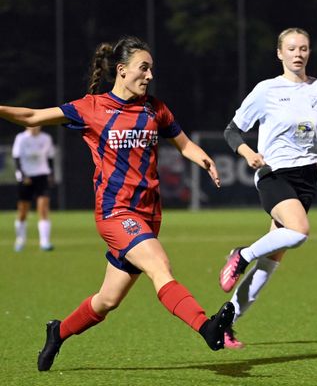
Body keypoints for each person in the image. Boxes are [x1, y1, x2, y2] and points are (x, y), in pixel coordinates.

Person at [0, 36, 234, 371]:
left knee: (107, 300)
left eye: (151, 69)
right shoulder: (92, 108)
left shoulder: (155, 108)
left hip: (149, 215)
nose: (150, 75)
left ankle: (58, 332)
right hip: (115, 213)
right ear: (122, 70)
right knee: (159, 266)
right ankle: (206, 327)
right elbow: (32, 116)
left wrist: (204, 159)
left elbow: (183, 144)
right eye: (143, 68)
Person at [219, 27, 317, 348]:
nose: (298, 54)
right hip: (274, 173)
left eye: (303, 48)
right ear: (279, 53)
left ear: (309, 52)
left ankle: (224, 323)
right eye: (291, 48)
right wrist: (248, 153)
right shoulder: (266, 90)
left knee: (271, 261)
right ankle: (241, 255)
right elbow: (232, 131)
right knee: (299, 231)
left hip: (307, 179)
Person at [12, 126, 55, 252]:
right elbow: (16, 158)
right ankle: (20, 239)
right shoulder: (21, 138)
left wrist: (51, 175)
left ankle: (44, 242)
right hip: (26, 177)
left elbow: (50, 158)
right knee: (23, 211)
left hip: (42, 176)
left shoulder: (46, 138)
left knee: (43, 209)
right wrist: (23, 175)